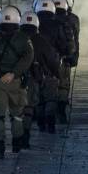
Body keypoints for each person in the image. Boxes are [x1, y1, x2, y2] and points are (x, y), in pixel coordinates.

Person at [0, 6, 34, 159]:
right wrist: (14, 73)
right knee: (17, 114)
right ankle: (17, 144)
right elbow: (29, 58)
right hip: (16, 82)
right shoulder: (24, 39)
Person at [20, 11, 60, 143]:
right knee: (48, 99)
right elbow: (52, 60)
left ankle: (25, 133)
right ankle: (49, 125)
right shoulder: (41, 41)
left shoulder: (16, 39)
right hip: (41, 75)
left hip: (18, 78)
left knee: (27, 107)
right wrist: (56, 74)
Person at [35, 0, 75, 125]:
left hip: (36, 63)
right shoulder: (60, 25)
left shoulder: (32, 26)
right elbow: (69, 47)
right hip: (58, 61)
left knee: (37, 90)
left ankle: (39, 118)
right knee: (62, 86)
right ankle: (59, 113)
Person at [52, 0, 78, 124]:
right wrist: (71, 57)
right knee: (63, 86)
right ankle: (61, 112)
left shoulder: (41, 21)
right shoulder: (68, 22)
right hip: (63, 60)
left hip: (46, 62)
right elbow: (72, 44)